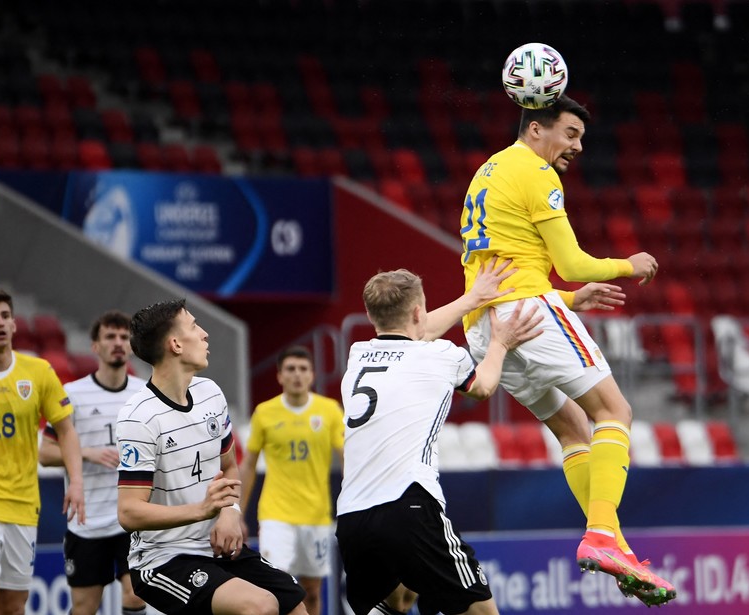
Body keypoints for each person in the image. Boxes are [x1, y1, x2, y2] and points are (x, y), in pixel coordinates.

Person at [458, 95, 676, 606]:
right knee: (614, 411)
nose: (578, 146)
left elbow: (510, 266)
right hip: (530, 314)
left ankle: (613, 544)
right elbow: (572, 260)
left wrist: (572, 299)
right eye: (571, 134)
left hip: (485, 324)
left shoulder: (488, 172)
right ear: (537, 129)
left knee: (573, 428)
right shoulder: (537, 172)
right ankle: (603, 534)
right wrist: (629, 264)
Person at [336, 267, 544, 615]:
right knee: (480, 611)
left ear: (372, 315)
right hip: (408, 506)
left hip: (352, 517)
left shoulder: (357, 354)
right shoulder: (443, 355)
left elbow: (413, 330)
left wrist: (472, 298)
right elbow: (483, 386)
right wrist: (500, 343)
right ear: (419, 311)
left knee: (398, 599)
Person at [116, 299, 308, 615]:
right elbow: (129, 512)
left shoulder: (211, 394)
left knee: (296, 608)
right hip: (163, 558)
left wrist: (230, 512)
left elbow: (229, 465)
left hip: (217, 548)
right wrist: (203, 510)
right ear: (175, 344)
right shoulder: (139, 417)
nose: (205, 334)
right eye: (194, 326)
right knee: (260, 606)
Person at [0, 287, 85, 615]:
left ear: (15, 324)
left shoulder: (38, 372)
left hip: (23, 504)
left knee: (13, 605)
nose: (1, 323)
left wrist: (76, 481)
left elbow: (66, 430)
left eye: (6, 316)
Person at [39, 311, 147, 615]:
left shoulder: (144, 394)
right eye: (110, 337)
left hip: (131, 518)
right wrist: (85, 452)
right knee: (85, 607)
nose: (118, 343)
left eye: (124, 337)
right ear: (95, 346)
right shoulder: (72, 394)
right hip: (87, 522)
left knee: (136, 594)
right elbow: (45, 454)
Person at [238, 346, 344, 615]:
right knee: (276, 589)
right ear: (280, 376)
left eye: (303, 369)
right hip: (276, 515)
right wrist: (237, 511)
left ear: (312, 375)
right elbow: (248, 464)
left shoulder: (329, 410)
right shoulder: (265, 412)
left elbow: (347, 458)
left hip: (316, 515)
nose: (297, 375)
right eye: (291, 369)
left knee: (311, 592)